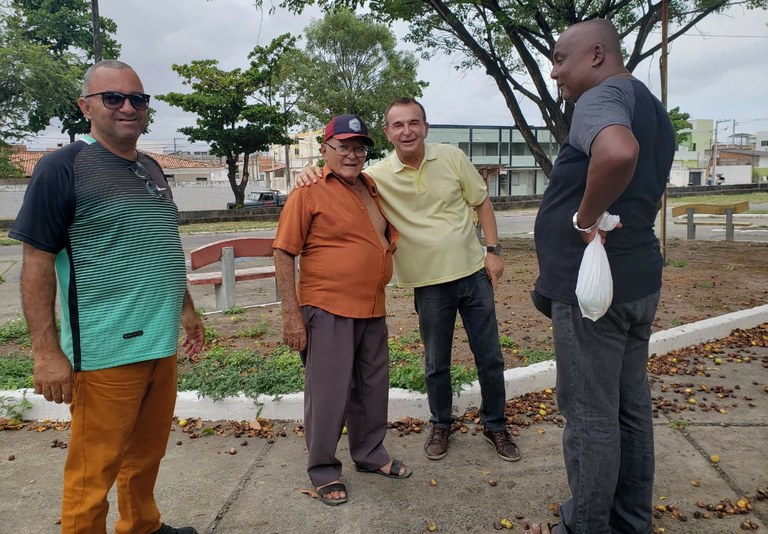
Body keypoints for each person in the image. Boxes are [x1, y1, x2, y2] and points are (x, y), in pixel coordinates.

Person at [9, 60, 205, 534]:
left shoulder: (152, 168)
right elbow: (36, 263)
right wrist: (45, 352)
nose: (127, 107)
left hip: (159, 345)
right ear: (86, 107)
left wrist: (188, 312)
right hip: (104, 353)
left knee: (146, 454)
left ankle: (142, 525)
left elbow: (160, 246)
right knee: (91, 471)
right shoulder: (63, 167)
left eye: (137, 99)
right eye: (113, 98)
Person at [296, 98, 520, 463]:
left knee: (490, 358)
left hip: (473, 274)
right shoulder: (377, 178)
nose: (407, 131)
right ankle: (441, 424)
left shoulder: (451, 158)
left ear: (426, 127)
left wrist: (493, 249)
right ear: (387, 133)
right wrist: (310, 169)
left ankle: (496, 425)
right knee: (436, 362)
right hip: (428, 284)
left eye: (414, 122)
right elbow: (340, 169)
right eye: (398, 125)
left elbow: (481, 202)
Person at [528, 19, 675, 534]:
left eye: (560, 59)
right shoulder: (650, 106)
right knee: (629, 408)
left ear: (595, 55)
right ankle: (631, 521)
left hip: (596, 297)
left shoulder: (602, 97)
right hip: (638, 282)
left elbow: (617, 153)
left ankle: (586, 525)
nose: (553, 72)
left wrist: (585, 218)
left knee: (591, 415)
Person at [273, 114, 410, 507]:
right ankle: (323, 469)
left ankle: (370, 454)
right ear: (325, 150)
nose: (352, 154)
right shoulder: (309, 189)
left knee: (371, 387)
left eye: (359, 147)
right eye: (343, 146)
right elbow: (283, 252)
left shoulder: (370, 185)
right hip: (328, 306)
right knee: (329, 393)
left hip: (371, 307)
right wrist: (291, 314)